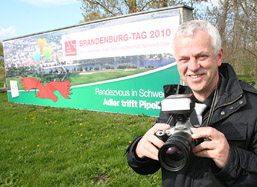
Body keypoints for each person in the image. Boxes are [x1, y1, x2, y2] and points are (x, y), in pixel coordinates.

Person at [126, 20, 257, 187]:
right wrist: (138, 151)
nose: (193, 67)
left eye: (201, 56)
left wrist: (230, 158)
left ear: (219, 57)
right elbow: (149, 164)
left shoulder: (251, 105)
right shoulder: (173, 101)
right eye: (184, 59)